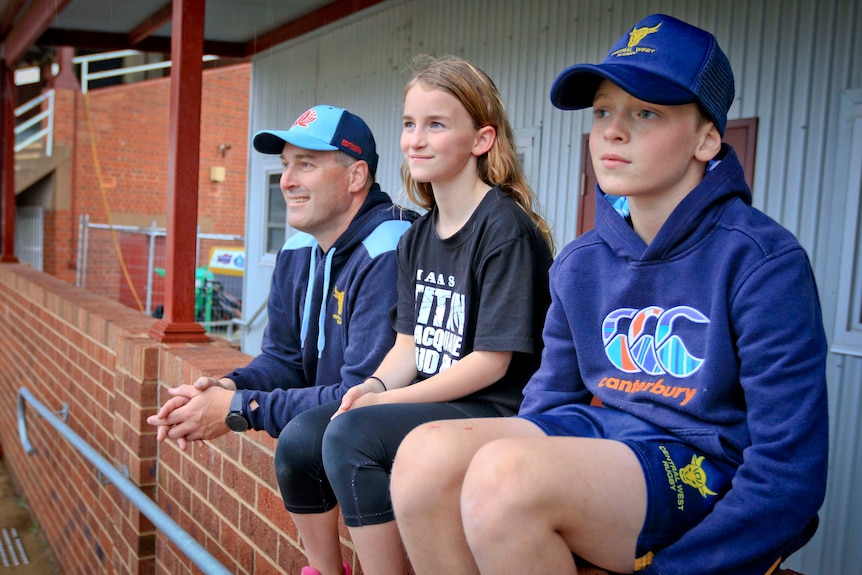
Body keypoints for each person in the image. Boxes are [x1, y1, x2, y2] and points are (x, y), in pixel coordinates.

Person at [390, 14, 829, 575]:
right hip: (606, 441)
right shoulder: (582, 262)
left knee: (507, 479)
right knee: (424, 455)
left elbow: (788, 475)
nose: (612, 132)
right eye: (602, 112)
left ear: (707, 138)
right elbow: (546, 406)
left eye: (646, 112)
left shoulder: (761, 261)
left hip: (703, 467)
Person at [274, 55, 554, 575]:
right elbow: (408, 345)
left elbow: (492, 363)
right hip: (436, 401)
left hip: (496, 409)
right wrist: (375, 388)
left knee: (354, 437)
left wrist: (390, 401)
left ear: (481, 140)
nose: (416, 140)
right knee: (303, 437)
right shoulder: (418, 235)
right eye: (409, 124)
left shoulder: (503, 228)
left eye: (436, 124)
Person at [147, 104, 415, 463]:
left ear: (356, 177)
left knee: (296, 452)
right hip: (335, 453)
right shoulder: (298, 249)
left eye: (306, 164)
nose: (286, 181)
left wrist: (238, 408)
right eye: (286, 164)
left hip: (394, 458)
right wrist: (231, 386)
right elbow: (284, 361)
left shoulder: (391, 248)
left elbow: (360, 399)